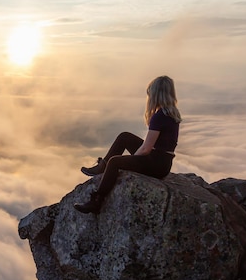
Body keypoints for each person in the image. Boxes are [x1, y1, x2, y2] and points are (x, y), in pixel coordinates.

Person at [74, 75, 182, 214]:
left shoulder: (160, 116)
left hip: (155, 164)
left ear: (156, 94)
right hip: (163, 163)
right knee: (125, 137)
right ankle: (102, 167)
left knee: (114, 162)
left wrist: (132, 161)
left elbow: (146, 148)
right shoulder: (171, 113)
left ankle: (96, 201)